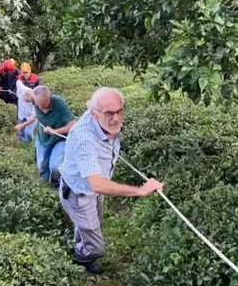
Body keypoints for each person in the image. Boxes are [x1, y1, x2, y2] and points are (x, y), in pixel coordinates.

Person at [59, 87, 163, 275]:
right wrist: (140, 190)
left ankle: (83, 251)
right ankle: (80, 262)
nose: (116, 118)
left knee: (90, 227)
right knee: (97, 246)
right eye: (109, 113)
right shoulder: (84, 138)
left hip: (94, 190)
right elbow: (96, 184)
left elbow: (92, 105)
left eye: (119, 111)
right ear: (94, 113)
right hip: (79, 193)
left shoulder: (99, 115)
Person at [18, 85, 75, 188]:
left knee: (55, 166)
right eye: (37, 105)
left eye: (43, 104)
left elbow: (73, 125)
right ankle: (45, 184)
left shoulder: (59, 103)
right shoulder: (34, 99)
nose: (40, 107)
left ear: (49, 97)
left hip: (59, 139)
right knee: (42, 165)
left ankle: (56, 185)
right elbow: (28, 98)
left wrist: (55, 131)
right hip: (43, 138)